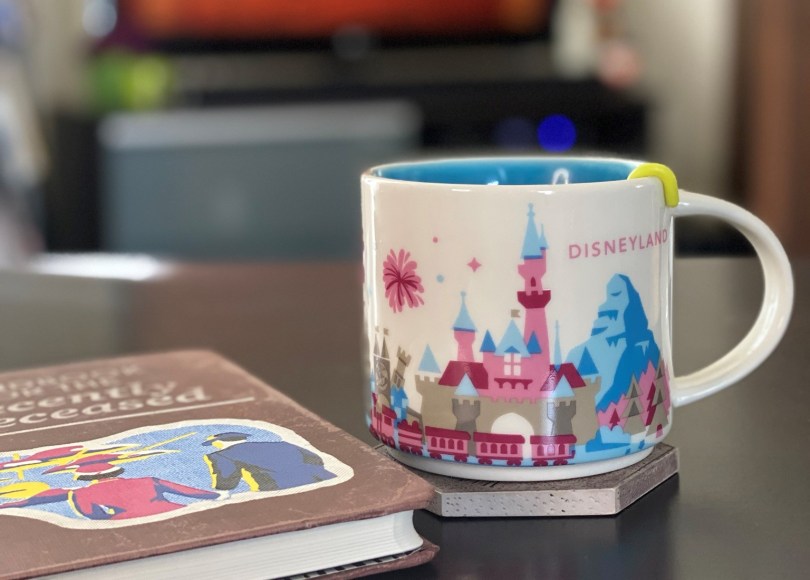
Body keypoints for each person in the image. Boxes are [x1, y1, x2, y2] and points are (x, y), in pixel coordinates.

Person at [202, 432, 336, 492]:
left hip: (281, 487)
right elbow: (315, 459)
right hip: (322, 477)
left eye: (213, 443)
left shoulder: (223, 455)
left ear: (218, 443)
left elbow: (227, 482)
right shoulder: (283, 444)